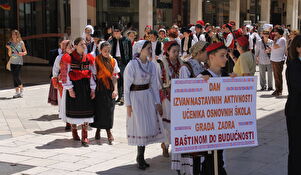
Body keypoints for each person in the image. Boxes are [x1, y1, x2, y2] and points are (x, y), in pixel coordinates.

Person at [124, 40, 164, 170]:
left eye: (150, 48)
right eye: (147, 48)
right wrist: (128, 105)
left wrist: (157, 102)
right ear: (140, 49)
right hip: (136, 98)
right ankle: (139, 157)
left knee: (147, 126)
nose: (150, 50)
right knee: (140, 126)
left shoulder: (152, 65)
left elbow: (154, 85)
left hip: (147, 97)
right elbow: (126, 87)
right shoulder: (132, 65)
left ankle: (142, 156)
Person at [172, 41, 208, 175]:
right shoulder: (185, 68)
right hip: (188, 114)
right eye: (206, 52)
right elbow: (183, 91)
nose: (207, 54)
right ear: (199, 53)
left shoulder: (202, 66)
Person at [197, 42, 228, 175]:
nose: (226, 58)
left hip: (221, 126)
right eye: (222, 55)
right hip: (207, 128)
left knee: (217, 158)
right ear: (211, 57)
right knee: (212, 159)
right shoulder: (201, 77)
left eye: (226, 55)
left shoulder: (225, 76)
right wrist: (198, 84)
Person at [60, 37, 96, 147]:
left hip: (85, 87)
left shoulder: (89, 58)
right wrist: (69, 89)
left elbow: (92, 74)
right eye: (81, 44)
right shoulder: (68, 58)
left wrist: (93, 88)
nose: (84, 46)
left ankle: (84, 135)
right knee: (74, 110)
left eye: (84, 44)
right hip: (74, 87)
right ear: (75, 46)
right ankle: (74, 131)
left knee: (87, 110)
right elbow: (65, 75)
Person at [156, 41, 182, 158]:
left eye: (178, 51)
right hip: (166, 95)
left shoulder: (181, 63)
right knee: (167, 122)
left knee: (177, 121)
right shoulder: (161, 64)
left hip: (179, 96)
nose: (176, 54)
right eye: (174, 51)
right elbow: (157, 82)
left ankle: (176, 144)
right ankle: (165, 145)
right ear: (167, 51)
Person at [90, 41, 120, 145]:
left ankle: (108, 131)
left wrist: (115, 90)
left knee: (109, 110)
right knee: (99, 110)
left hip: (109, 88)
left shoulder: (113, 61)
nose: (107, 53)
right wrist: (93, 89)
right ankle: (98, 129)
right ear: (100, 50)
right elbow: (93, 75)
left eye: (108, 51)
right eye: (104, 51)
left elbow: (115, 77)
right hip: (99, 88)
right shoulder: (96, 60)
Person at [285, 34, 301, 175]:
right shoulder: (294, 65)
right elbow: (298, 87)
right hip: (296, 112)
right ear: (298, 48)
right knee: (296, 148)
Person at [52, 40, 73, 131]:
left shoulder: (75, 56)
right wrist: (55, 80)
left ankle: (73, 121)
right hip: (63, 83)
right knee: (64, 102)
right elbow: (55, 70)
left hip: (73, 82)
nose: (71, 48)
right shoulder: (59, 57)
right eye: (68, 46)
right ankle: (67, 122)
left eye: (71, 46)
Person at [109, 24, 132, 105]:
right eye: (114, 31)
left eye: (117, 31)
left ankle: (123, 97)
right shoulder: (111, 41)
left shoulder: (127, 40)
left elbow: (130, 53)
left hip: (124, 62)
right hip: (114, 62)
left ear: (120, 31)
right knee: (117, 79)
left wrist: (130, 63)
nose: (116, 33)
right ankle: (119, 96)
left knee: (124, 79)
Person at [5, 30, 27, 98]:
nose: (13, 35)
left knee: (16, 76)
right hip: (12, 62)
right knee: (14, 77)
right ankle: (17, 92)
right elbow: (9, 55)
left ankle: (21, 90)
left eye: (15, 34)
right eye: (12, 34)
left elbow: (25, 52)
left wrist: (21, 53)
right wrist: (9, 49)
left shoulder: (21, 42)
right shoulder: (10, 43)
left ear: (17, 35)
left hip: (19, 62)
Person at [270, 27, 287, 96]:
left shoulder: (282, 39)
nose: (274, 33)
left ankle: (279, 90)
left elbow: (275, 46)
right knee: (276, 76)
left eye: (276, 32)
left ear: (280, 33)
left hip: (278, 60)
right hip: (274, 59)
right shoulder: (278, 39)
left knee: (278, 76)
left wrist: (274, 40)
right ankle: (277, 89)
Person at [48, 38, 64, 105]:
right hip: (56, 74)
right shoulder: (53, 52)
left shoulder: (69, 53)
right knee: (56, 91)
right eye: (62, 43)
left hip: (63, 76)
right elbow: (51, 63)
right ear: (59, 43)